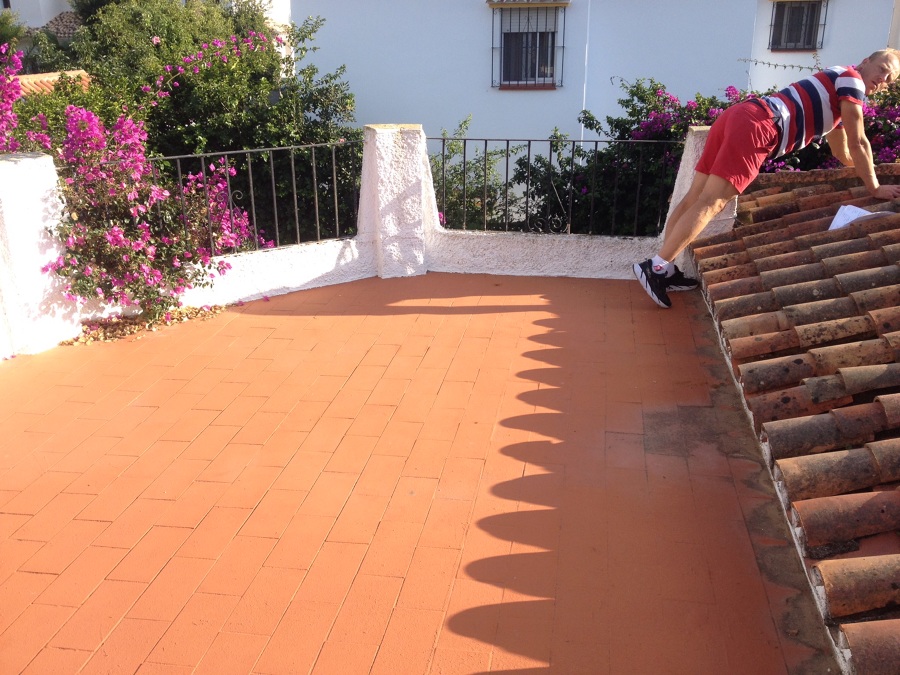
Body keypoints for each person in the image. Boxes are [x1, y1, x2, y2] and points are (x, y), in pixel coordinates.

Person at [633, 48, 900, 308]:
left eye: (890, 80)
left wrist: (864, 170)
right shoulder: (853, 82)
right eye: (883, 70)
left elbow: (843, 150)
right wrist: (874, 186)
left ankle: (665, 269)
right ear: (865, 61)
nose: (883, 80)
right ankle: (656, 267)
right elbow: (860, 142)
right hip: (760, 126)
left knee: (696, 196)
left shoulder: (839, 83)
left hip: (741, 115)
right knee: (712, 202)